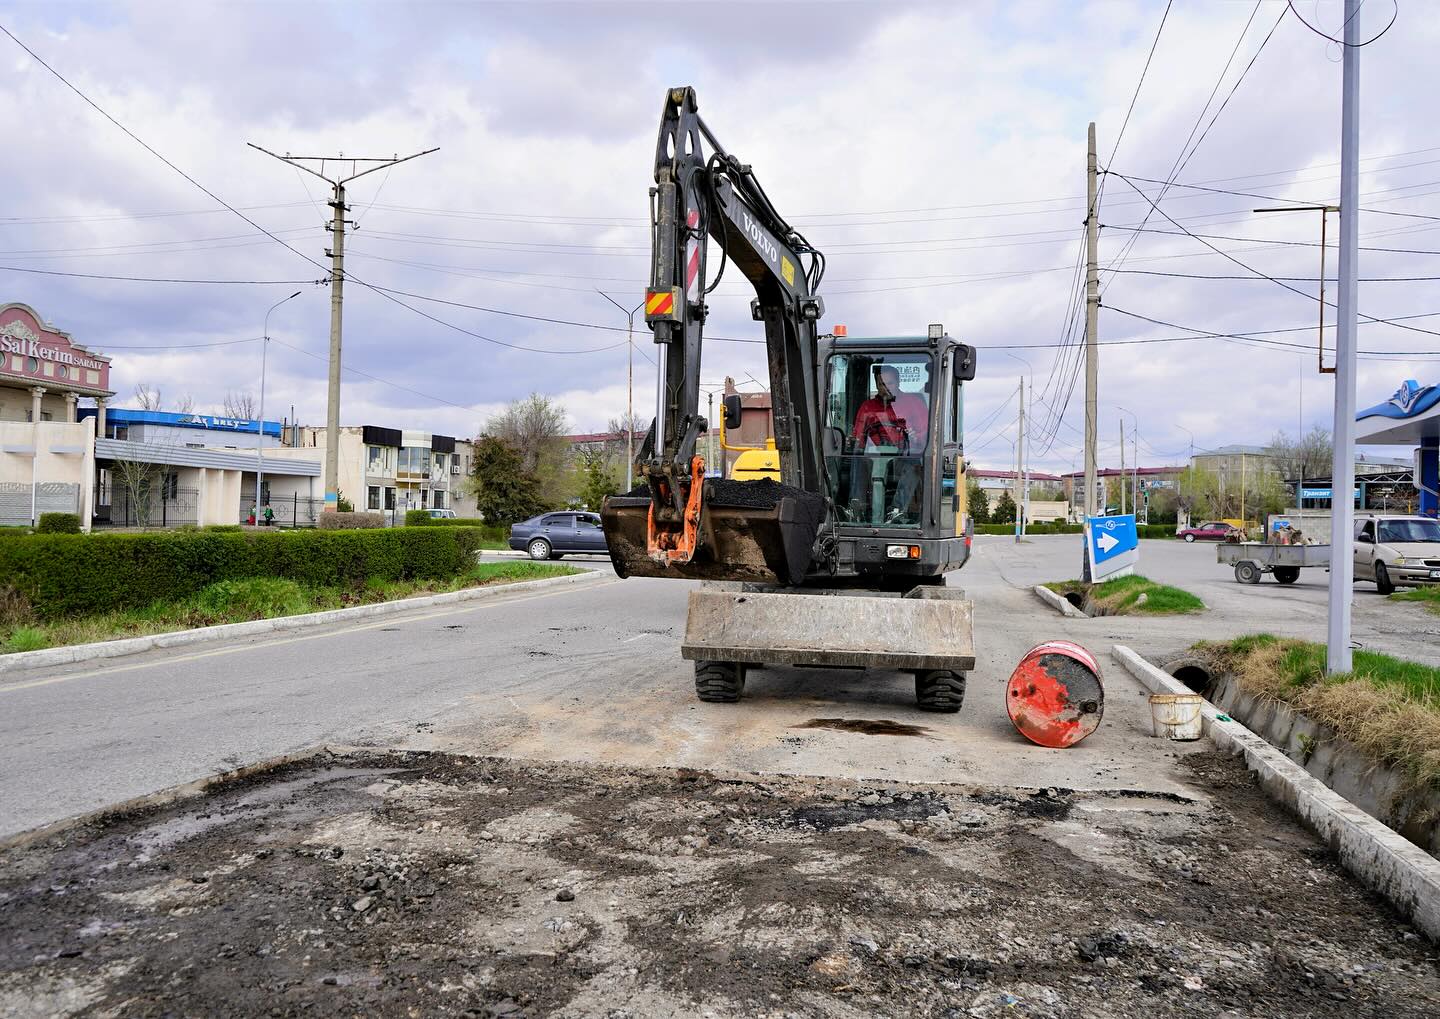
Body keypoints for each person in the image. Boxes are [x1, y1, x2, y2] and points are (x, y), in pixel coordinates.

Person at [848, 364, 928, 522]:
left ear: (898, 382)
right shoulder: (867, 407)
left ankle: (897, 510)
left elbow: (926, 433)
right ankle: (856, 506)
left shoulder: (914, 403)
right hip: (873, 457)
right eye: (881, 384)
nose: (884, 388)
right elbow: (859, 437)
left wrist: (915, 437)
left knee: (914, 462)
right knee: (856, 457)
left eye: (889, 383)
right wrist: (853, 442)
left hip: (903, 456)